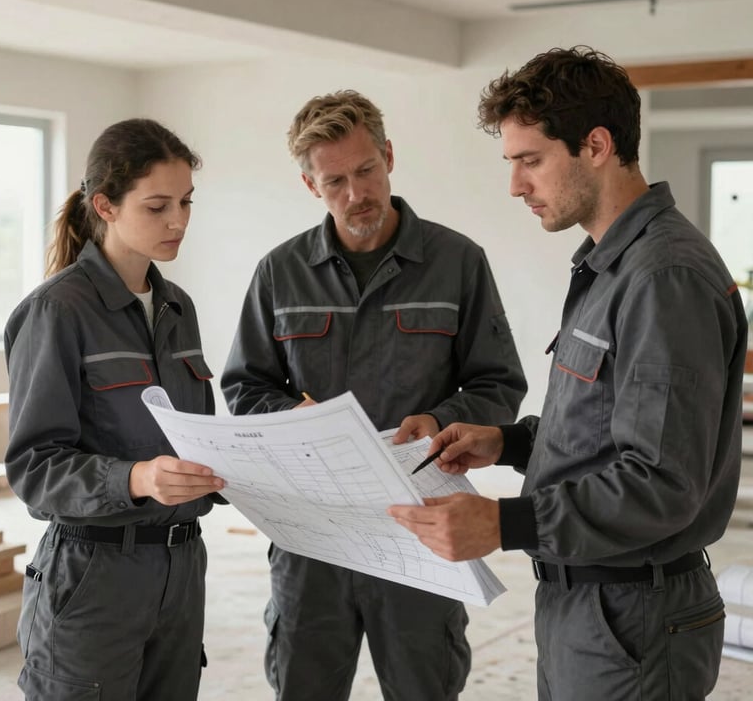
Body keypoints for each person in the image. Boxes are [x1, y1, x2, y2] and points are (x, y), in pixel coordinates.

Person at [388, 47, 748, 701]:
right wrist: (511, 442)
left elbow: (662, 483)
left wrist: (504, 523)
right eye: (512, 163)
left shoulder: (663, 278)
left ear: (597, 145)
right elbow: (608, 428)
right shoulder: (610, 266)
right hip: (587, 605)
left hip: (634, 614)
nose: (516, 185)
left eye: (531, 160)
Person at [221, 90, 526, 701]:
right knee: (303, 685)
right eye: (335, 180)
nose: (356, 193)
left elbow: (500, 385)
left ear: (389, 156)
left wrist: (441, 419)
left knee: (424, 686)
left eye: (367, 170)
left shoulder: (458, 262)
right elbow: (244, 389)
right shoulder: (279, 272)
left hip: (420, 526)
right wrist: (290, 418)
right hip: (312, 533)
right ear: (311, 185)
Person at [4, 118, 226, 701]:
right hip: (93, 576)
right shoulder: (57, 311)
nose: (178, 220)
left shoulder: (180, 307)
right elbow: (33, 470)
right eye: (157, 206)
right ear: (104, 205)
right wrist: (137, 478)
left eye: (185, 202)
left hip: (181, 574)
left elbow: (196, 438)